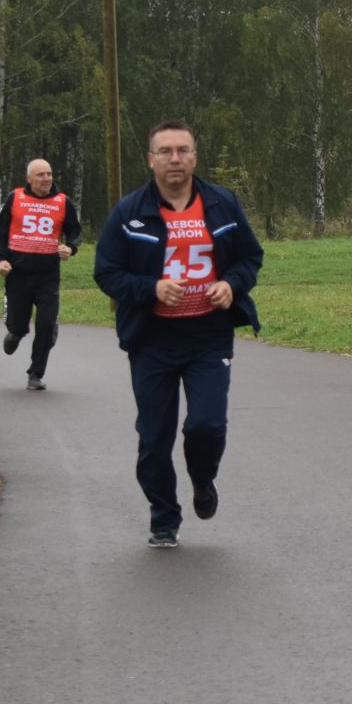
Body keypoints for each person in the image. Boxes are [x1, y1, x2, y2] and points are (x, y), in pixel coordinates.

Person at [94, 120, 263, 549]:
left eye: (183, 150)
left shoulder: (222, 203)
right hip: (152, 339)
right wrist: (150, 289)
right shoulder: (129, 213)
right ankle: (164, 518)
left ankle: (203, 479)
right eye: (165, 151)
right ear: (150, 159)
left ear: (194, 157)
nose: (175, 159)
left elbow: (249, 256)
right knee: (154, 437)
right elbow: (107, 272)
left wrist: (232, 284)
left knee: (206, 425)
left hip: (208, 335)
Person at [0, 158, 82, 390]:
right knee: (20, 325)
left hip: (47, 275)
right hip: (18, 273)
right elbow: (1, 231)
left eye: (49, 174)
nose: (47, 179)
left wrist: (70, 248)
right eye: (41, 175)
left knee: (45, 324)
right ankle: (15, 332)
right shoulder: (15, 198)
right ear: (29, 178)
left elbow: (75, 231)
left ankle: (35, 373)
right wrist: (1, 259)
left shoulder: (63, 202)